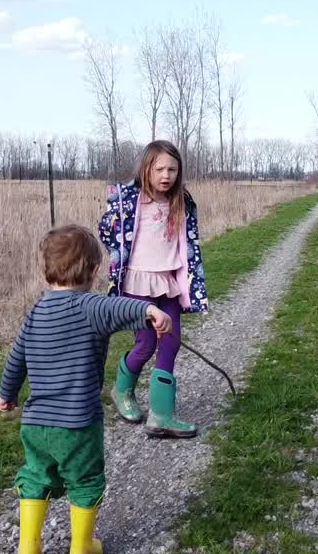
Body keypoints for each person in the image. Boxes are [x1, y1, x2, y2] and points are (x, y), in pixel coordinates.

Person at [0, 224, 174, 554]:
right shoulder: (90, 306)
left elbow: (16, 358)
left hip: (35, 424)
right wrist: (150, 310)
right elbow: (121, 308)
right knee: (85, 480)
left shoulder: (36, 311)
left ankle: (28, 546)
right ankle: (81, 546)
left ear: (46, 270)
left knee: (36, 477)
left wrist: (6, 394)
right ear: (93, 271)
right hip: (77, 422)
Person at [97, 139, 208, 439]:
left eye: (172, 169)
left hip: (169, 282)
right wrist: (119, 258)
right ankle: (121, 391)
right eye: (159, 168)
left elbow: (188, 241)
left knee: (170, 342)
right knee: (145, 344)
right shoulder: (129, 199)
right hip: (138, 281)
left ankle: (161, 415)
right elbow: (107, 231)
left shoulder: (181, 201)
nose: (166, 175)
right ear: (146, 168)